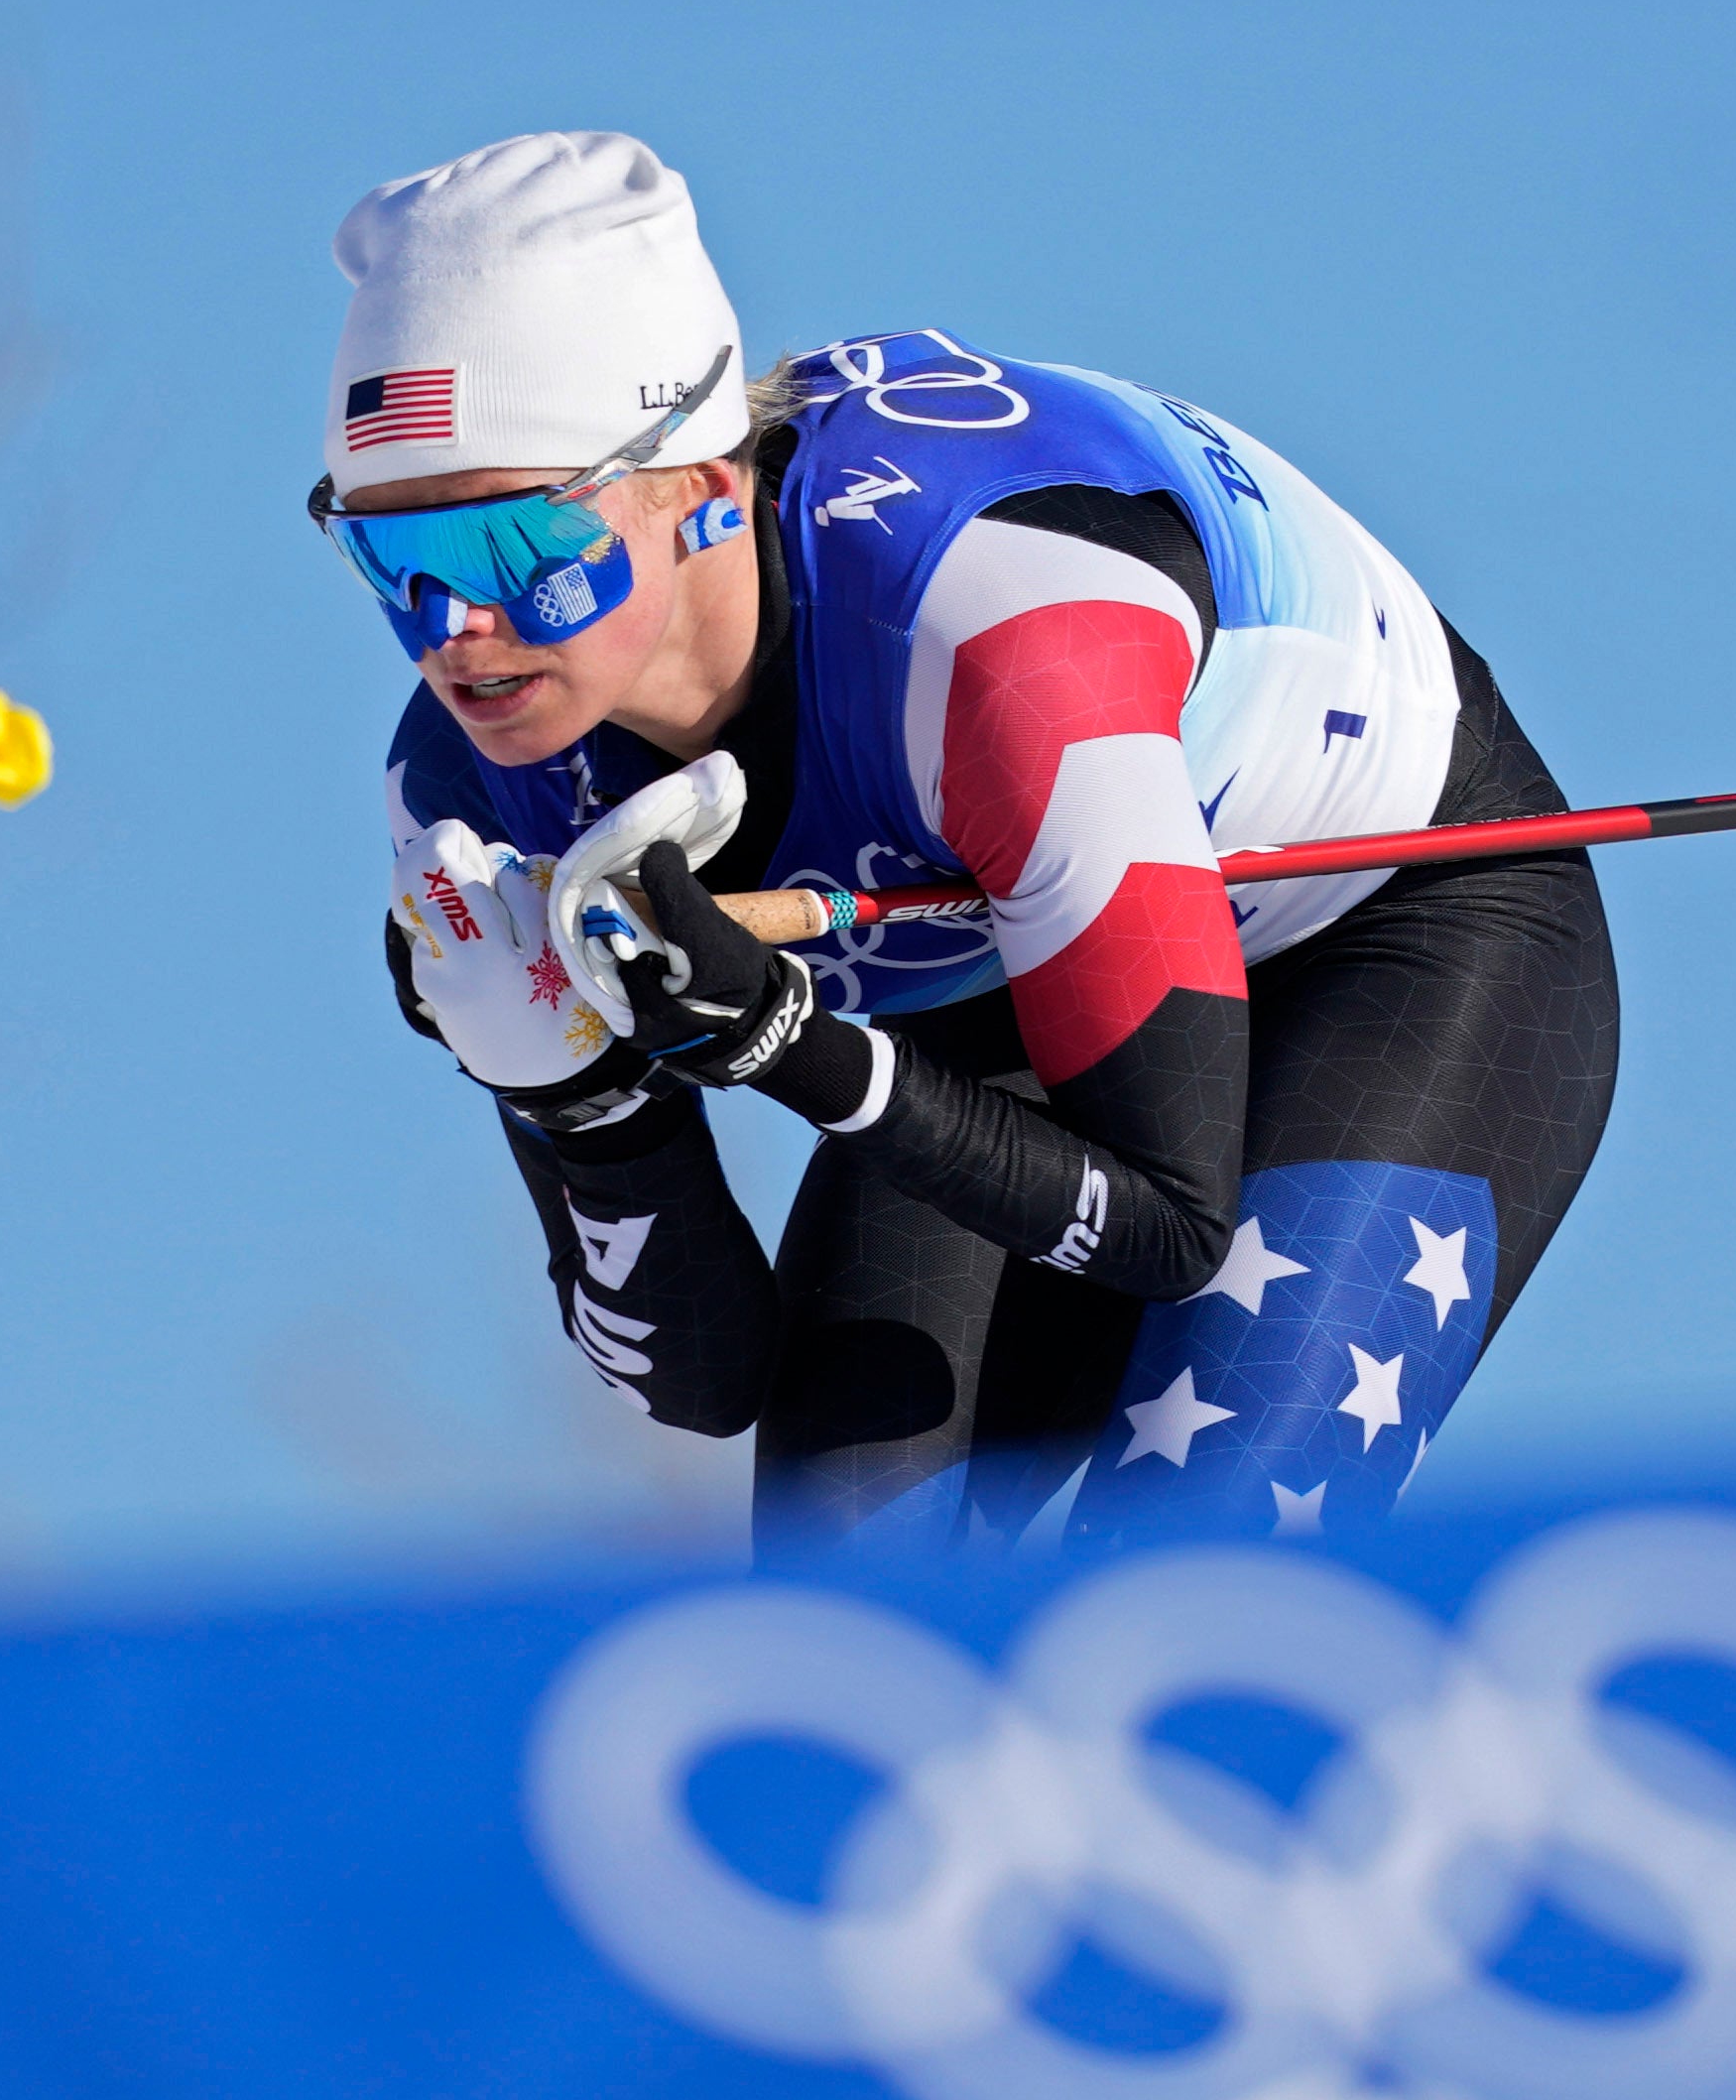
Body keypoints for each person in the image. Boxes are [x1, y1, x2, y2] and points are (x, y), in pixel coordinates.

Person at [322, 132, 1617, 1554]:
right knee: (846, 1613)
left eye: (512, 548)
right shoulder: (464, 788)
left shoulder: (998, 629)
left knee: (1198, 1564)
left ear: (697, 480)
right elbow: (705, 1381)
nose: (455, 633)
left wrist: (780, 1045)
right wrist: (575, 1099)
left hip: (1386, 930)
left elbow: (1175, 1226)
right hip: (995, 981)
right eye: (393, 559)